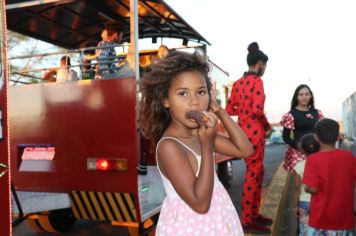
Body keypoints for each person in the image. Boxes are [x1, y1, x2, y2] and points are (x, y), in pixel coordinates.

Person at [140, 51, 254, 235]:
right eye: (183, 93)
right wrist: (207, 147)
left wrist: (220, 112)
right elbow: (200, 203)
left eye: (201, 92)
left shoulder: (198, 133)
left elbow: (245, 149)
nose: (195, 102)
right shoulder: (170, 146)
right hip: (191, 227)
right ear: (165, 100)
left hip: (218, 220)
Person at [225, 42, 272, 234]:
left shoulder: (237, 83)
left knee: (257, 173)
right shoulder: (257, 82)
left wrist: (243, 113)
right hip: (255, 132)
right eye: (265, 65)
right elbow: (258, 110)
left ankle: (253, 214)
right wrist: (267, 126)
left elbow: (230, 109)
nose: (265, 69)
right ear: (259, 63)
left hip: (242, 131)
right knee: (254, 175)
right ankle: (248, 219)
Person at [303, 118, 355, 235]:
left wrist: (306, 187)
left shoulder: (313, 159)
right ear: (338, 137)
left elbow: (313, 188)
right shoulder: (349, 156)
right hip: (344, 218)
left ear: (316, 137)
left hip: (322, 219)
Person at [280, 84, 324, 172]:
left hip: (316, 151)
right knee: (299, 183)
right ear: (296, 97)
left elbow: (322, 131)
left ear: (311, 96)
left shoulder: (317, 113)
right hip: (298, 152)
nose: (304, 97)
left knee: (316, 181)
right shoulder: (290, 115)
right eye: (301, 95)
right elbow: (286, 137)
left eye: (307, 94)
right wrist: (300, 147)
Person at [293, 133, 320, 235]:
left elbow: (297, 188)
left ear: (302, 150)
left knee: (305, 230)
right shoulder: (323, 164)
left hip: (304, 203)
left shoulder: (299, 166)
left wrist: (295, 206)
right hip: (319, 201)